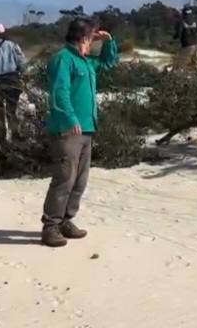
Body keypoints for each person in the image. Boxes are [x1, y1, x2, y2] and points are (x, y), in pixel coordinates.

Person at [40, 18, 118, 248]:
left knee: (80, 181)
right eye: (92, 36)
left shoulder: (85, 62)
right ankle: (50, 226)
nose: (94, 40)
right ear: (83, 37)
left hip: (86, 128)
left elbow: (108, 63)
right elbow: (59, 92)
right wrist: (70, 118)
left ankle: (66, 221)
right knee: (64, 178)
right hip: (67, 129)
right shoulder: (63, 59)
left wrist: (109, 43)